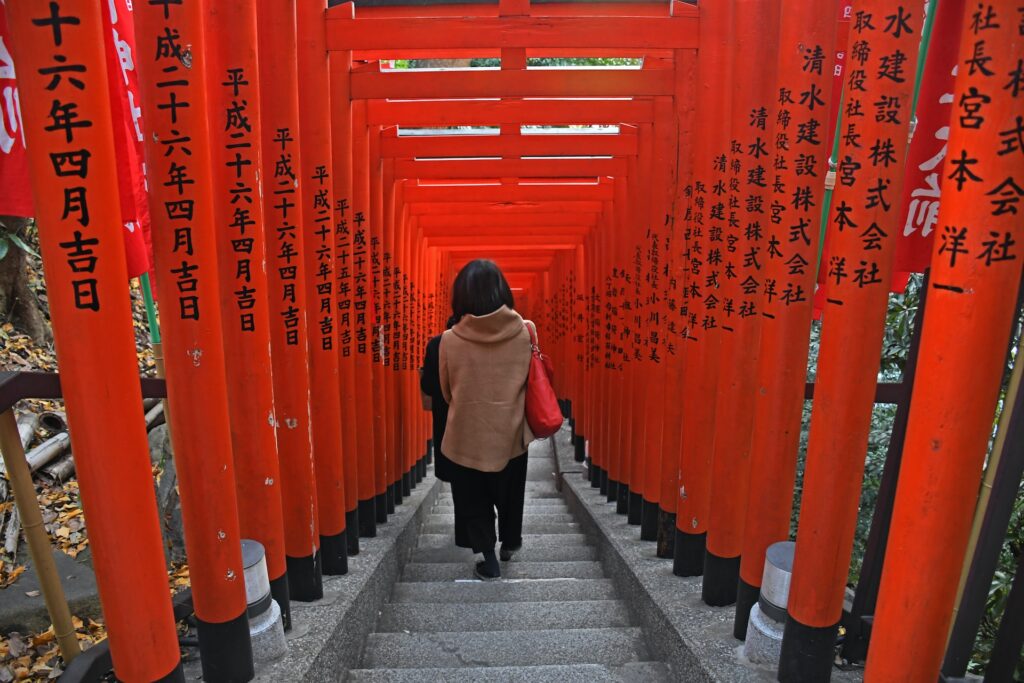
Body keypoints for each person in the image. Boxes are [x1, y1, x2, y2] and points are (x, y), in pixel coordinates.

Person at [438, 259, 533, 580]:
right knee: (510, 493)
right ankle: (511, 541)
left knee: (473, 498)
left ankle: (489, 558)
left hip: (465, 435)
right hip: (512, 432)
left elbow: (446, 390)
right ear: (503, 291)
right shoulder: (525, 332)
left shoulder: (450, 340)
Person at [420, 316, 459, 483]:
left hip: (444, 415)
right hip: (472, 421)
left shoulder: (435, 344)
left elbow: (427, 385)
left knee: (456, 477)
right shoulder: (476, 343)